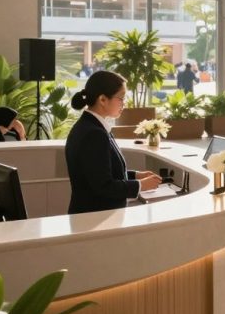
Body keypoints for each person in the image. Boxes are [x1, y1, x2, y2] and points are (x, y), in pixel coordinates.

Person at [65, 70, 162, 214]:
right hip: (94, 219)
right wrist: (140, 185)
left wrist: (135, 175)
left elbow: (99, 172)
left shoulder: (91, 126)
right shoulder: (94, 134)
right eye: (121, 98)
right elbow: (104, 186)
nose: (124, 103)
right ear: (103, 100)